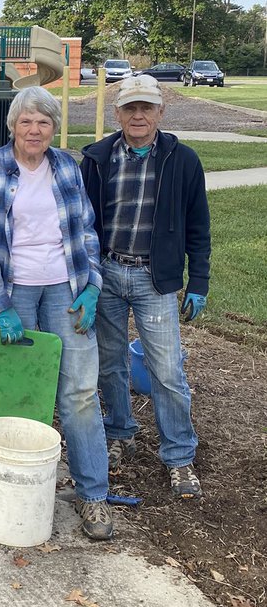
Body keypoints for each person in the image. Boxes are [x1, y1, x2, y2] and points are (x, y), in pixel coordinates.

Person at [0, 86, 113, 540]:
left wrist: (92, 287)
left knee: (80, 391)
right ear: (13, 126)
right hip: (14, 291)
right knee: (19, 392)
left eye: (43, 122)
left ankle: (93, 495)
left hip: (65, 288)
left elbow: (86, 230)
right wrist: (0, 307)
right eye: (26, 121)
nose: (34, 130)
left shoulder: (66, 166)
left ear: (53, 128)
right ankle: (15, 484)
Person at [80, 74, 210, 499]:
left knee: (167, 370)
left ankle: (179, 455)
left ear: (160, 112)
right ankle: (121, 433)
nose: (138, 115)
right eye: (130, 108)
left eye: (146, 108)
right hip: (108, 273)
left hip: (155, 279)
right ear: (117, 114)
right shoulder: (97, 160)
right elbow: (82, 223)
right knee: (110, 363)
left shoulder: (183, 160)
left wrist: (199, 281)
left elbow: (198, 227)